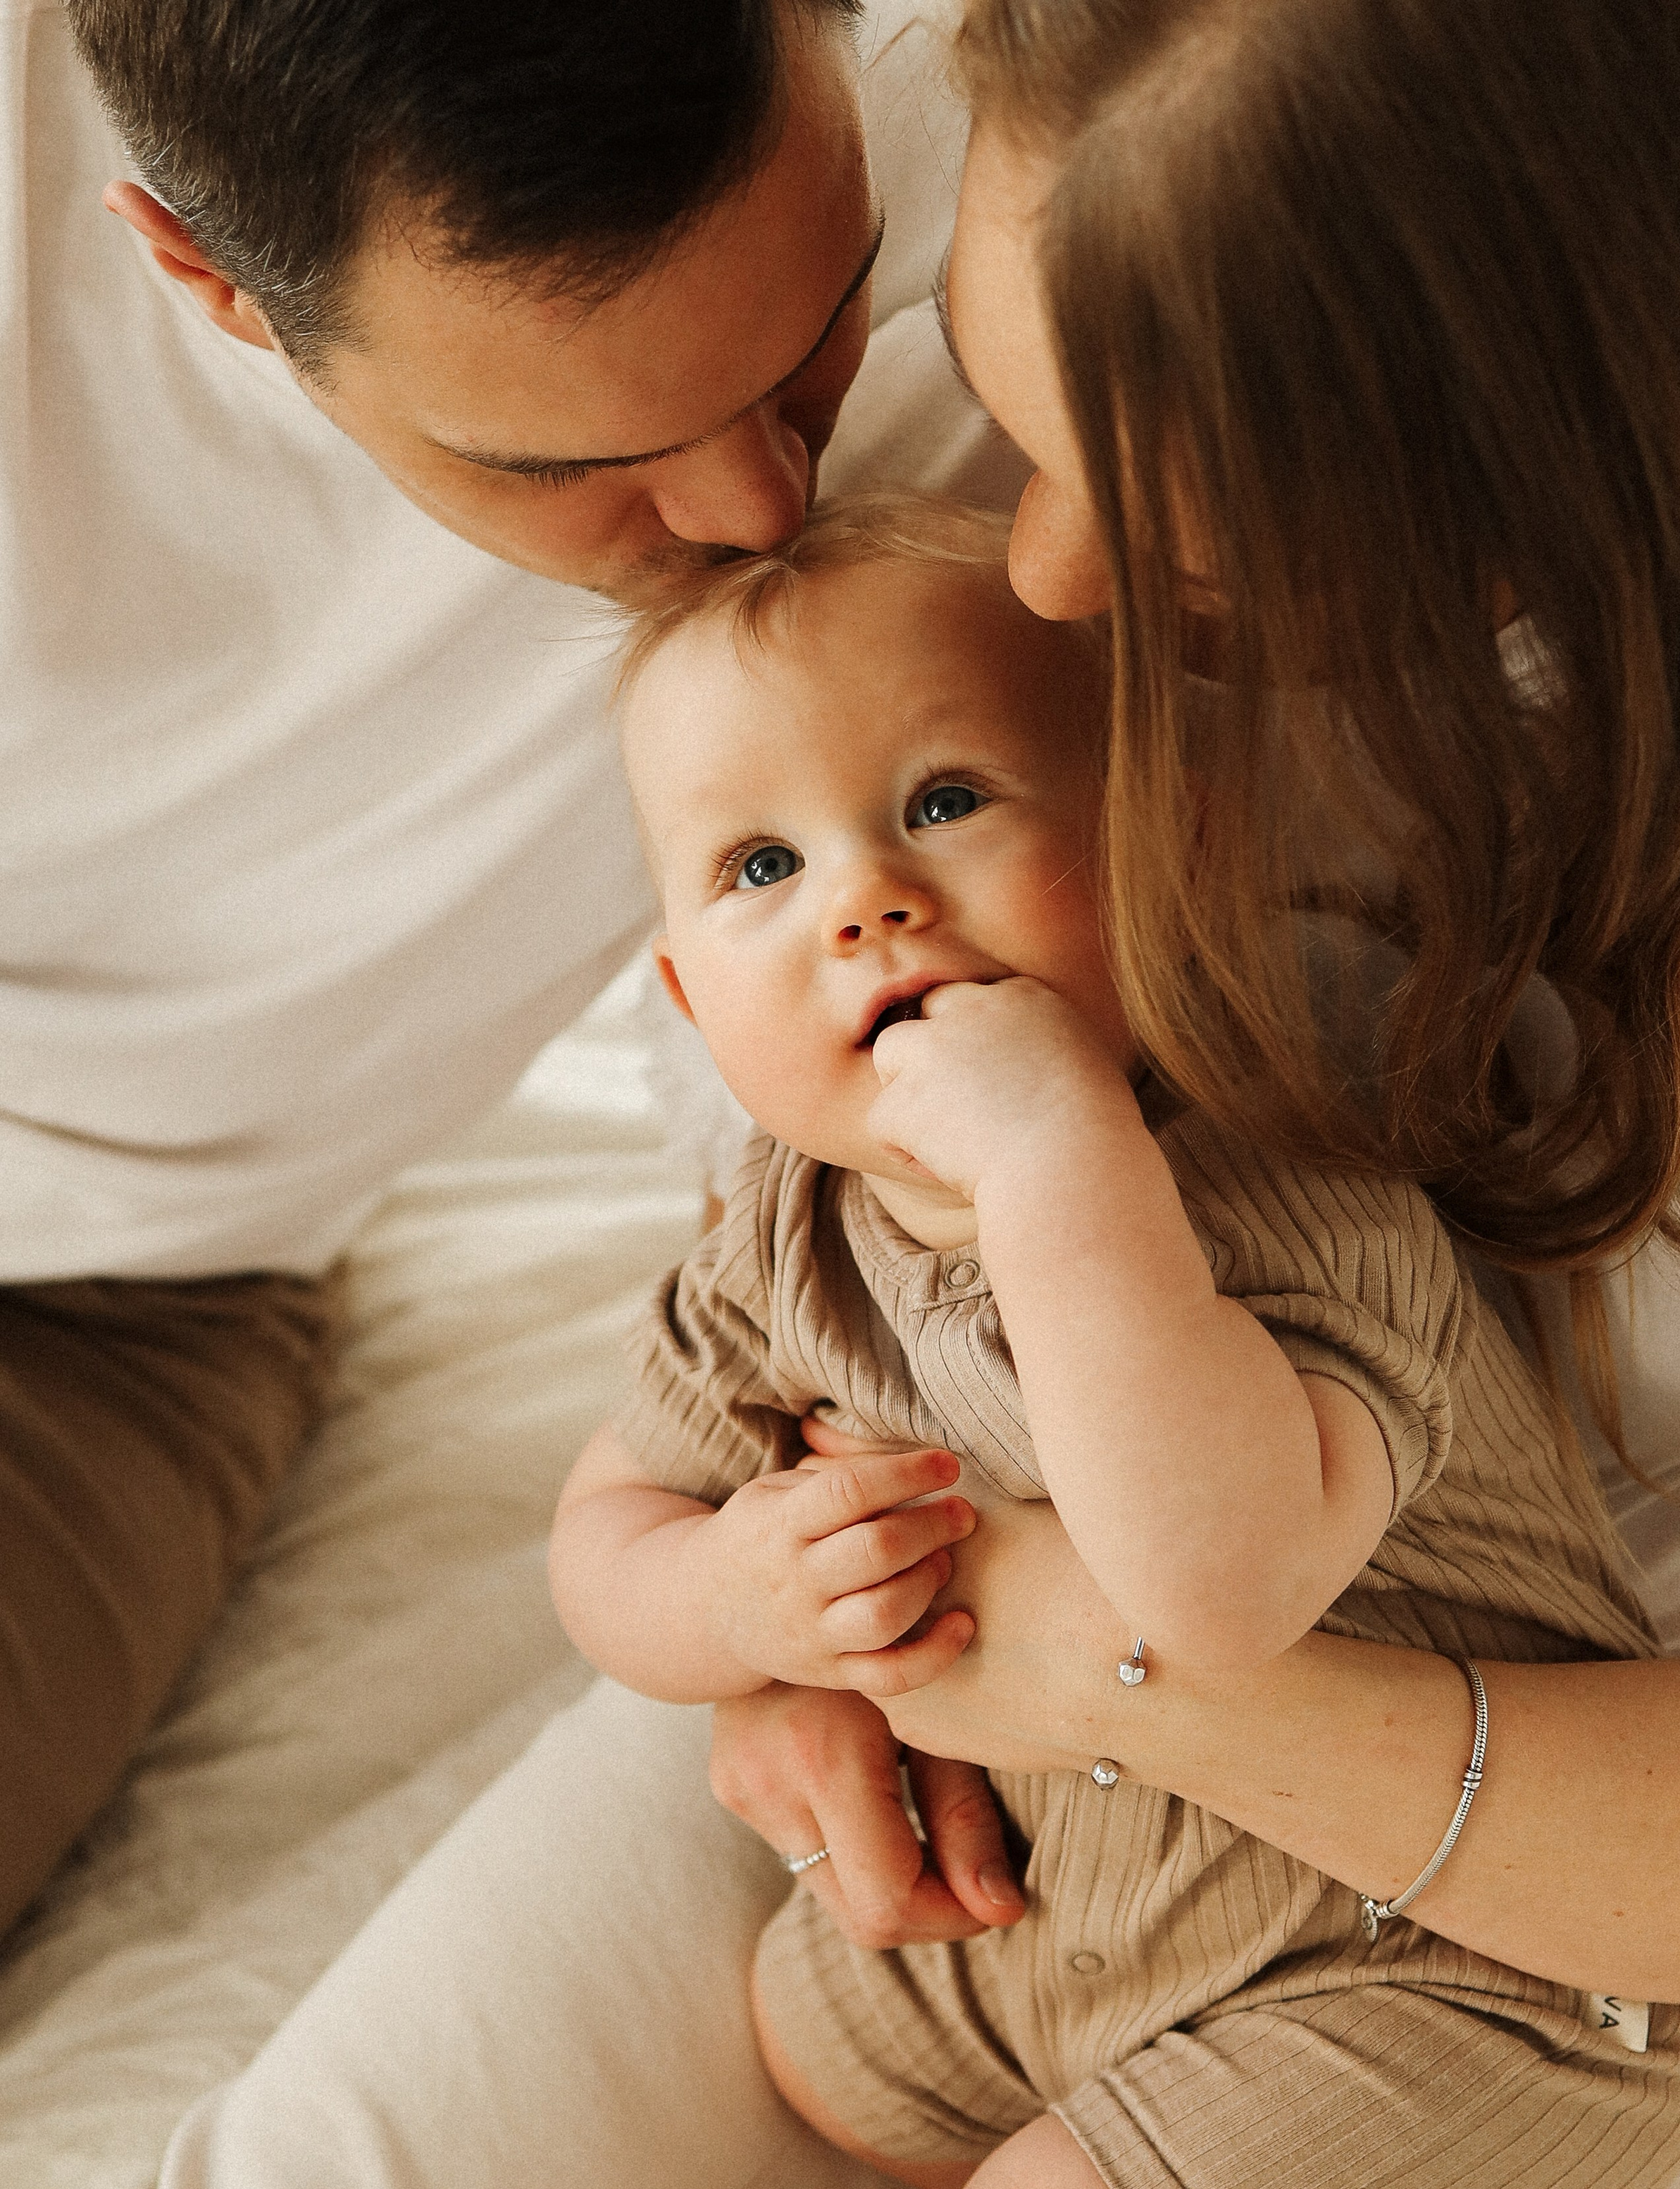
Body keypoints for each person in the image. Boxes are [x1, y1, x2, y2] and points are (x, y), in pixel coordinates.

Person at [0, 4, 1680, 2189]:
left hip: (1559, 1947)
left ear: (1497, 449)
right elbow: (762, 1142)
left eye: (1124, 498)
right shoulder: (1026, 434)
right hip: (941, 1693)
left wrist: (1106, 1664)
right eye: (996, 397)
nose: (1021, 568)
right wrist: (760, 1638)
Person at [552, 493, 1680, 2189]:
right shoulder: (781, 1242)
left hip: (1452, 1977)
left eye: (947, 802)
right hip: (1085, 1929)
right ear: (684, 991)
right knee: (817, 2040)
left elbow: (1217, 1593)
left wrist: (1056, 1148)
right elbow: (604, 1532)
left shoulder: (1272, 1181)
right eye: (759, 869)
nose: (869, 905)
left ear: (1162, 850)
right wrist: (730, 1610)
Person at [0, 0, 1002, 1936]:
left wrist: (809, 1533)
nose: (761, 515)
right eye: (586, 460)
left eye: (816, 344)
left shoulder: (1015, 156)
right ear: (201, 273)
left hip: (132, 1290)